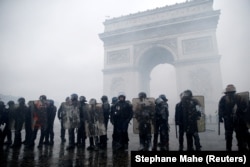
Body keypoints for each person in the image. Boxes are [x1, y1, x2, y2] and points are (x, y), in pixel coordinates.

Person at [219, 84, 249, 151]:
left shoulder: (238, 97)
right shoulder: (224, 99)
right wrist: (221, 116)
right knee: (229, 135)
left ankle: (240, 147)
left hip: (237, 120)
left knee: (238, 135)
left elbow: (244, 108)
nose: (230, 94)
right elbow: (221, 108)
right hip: (229, 120)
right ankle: (230, 148)